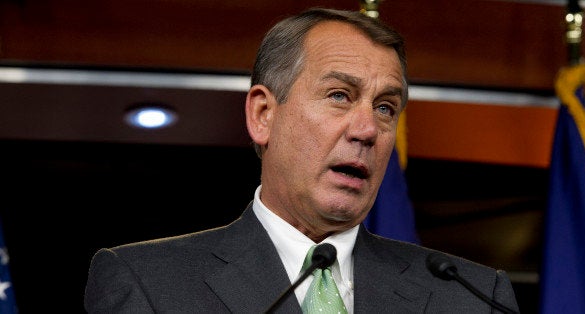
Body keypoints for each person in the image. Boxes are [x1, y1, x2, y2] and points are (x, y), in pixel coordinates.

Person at [84, 7, 519, 313]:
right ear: (263, 115)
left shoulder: (472, 297)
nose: (367, 130)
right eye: (339, 96)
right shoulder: (150, 284)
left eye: (386, 107)